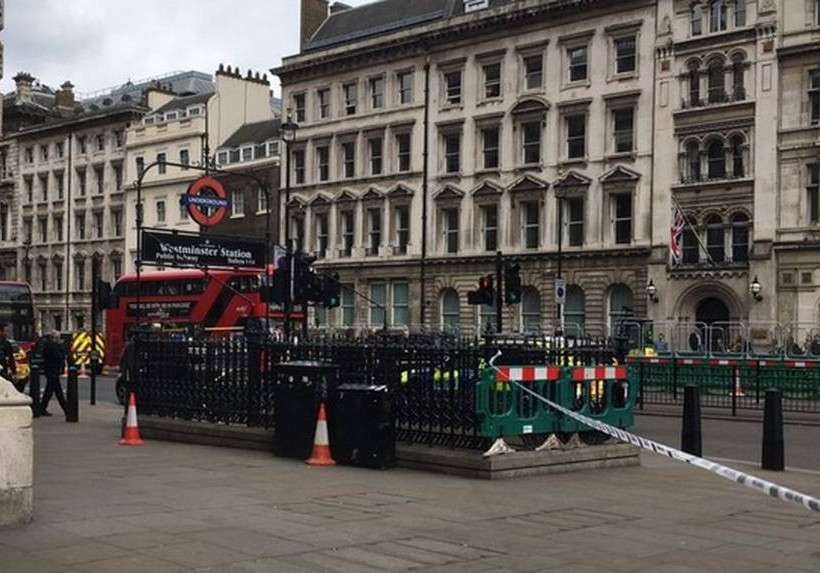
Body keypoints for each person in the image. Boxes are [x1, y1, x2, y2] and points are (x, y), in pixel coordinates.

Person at [40, 330, 67, 416]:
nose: (59, 340)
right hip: (52, 371)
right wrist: (61, 348)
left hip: (51, 371)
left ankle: (42, 408)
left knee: (49, 391)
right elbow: (59, 356)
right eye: (58, 338)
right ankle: (67, 409)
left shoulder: (49, 344)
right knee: (58, 392)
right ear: (54, 338)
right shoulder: (52, 346)